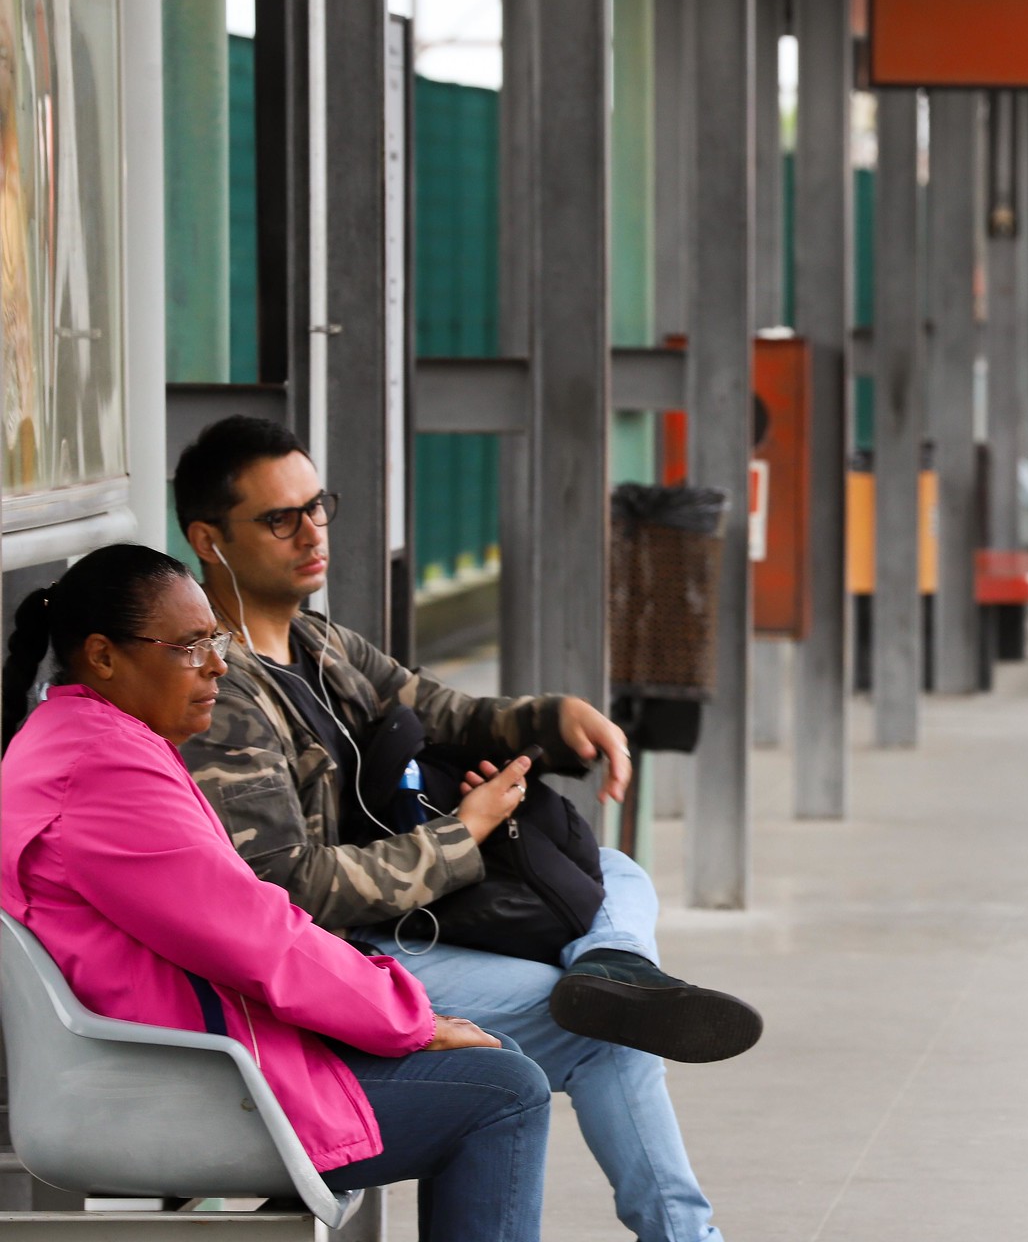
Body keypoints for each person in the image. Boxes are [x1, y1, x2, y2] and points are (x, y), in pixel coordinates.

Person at [172, 417, 756, 1242]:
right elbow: (287, 888)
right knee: (605, 1032)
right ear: (209, 540)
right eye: (280, 519)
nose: (312, 533)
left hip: (411, 912)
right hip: (346, 957)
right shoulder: (220, 693)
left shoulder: (319, 644)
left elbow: (444, 712)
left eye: (318, 506)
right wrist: (462, 835)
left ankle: (613, 963)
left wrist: (553, 719)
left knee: (617, 872)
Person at [0, 545, 552, 1242]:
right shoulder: (105, 771)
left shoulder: (73, 740)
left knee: (494, 1060)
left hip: (168, 1058)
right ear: (104, 657)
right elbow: (254, 936)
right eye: (190, 647)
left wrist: (405, 1017)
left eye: (216, 641)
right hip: (185, 1081)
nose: (217, 666)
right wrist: (409, 1018)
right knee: (506, 1093)